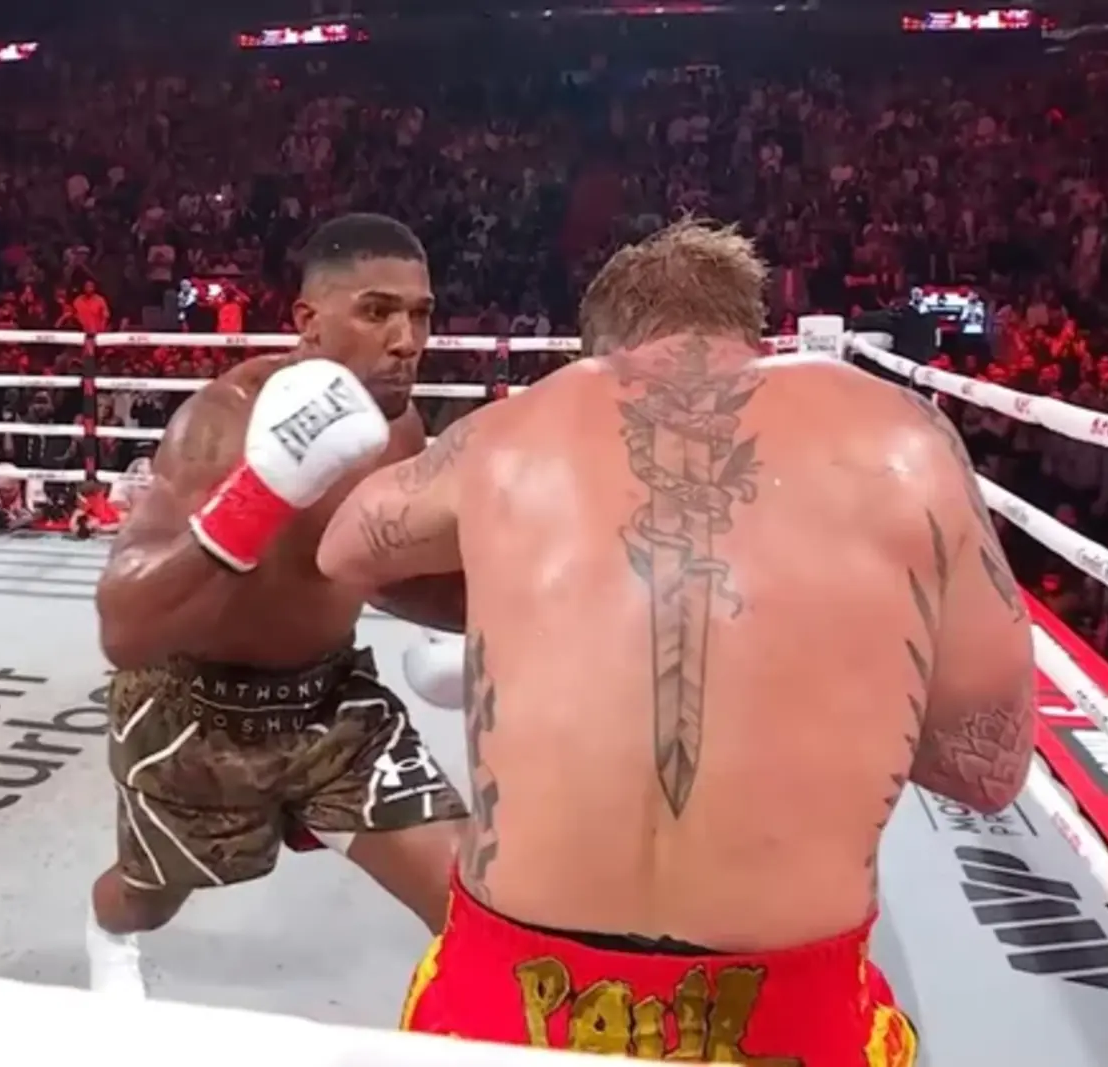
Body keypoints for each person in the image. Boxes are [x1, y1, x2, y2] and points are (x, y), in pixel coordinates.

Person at [317, 219, 1035, 1064]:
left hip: (511, 1004)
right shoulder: (908, 439)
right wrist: (830, 680)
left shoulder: (511, 430)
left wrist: (521, 612)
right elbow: (990, 768)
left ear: (600, 347)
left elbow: (345, 549)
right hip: (792, 1020)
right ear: (753, 331)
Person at [88, 213, 469, 998]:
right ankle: (107, 932)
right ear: (308, 320)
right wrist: (260, 492)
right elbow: (126, 628)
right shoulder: (223, 422)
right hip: (195, 712)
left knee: (470, 904)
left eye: (420, 313)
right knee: (147, 899)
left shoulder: (399, 426)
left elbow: (377, 569)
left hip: (332, 703)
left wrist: (499, 617)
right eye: (377, 311)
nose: (406, 339)